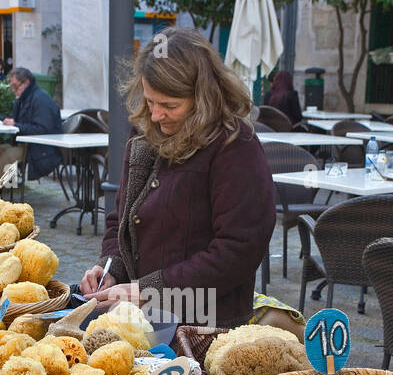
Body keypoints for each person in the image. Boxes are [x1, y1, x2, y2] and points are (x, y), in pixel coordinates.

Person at [79, 27, 276, 328]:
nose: (156, 115)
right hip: (141, 320)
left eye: (170, 106)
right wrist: (109, 266)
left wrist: (148, 291)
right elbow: (120, 217)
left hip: (206, 323)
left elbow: (238, 250)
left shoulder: (234, 145)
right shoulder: (145, 134)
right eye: (149, 101)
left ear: (203, 97)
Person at [0, 66, 61, 185]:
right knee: (0, 150)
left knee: (9, 155)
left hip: (42, 149)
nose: (13, 90)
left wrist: (16, 124)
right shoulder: (25, 98)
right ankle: (7, 187)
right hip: (30, 145)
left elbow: (43, 129)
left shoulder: (40, 99)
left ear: (27, 83)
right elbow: (17, 121)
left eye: (16, 86)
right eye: (12, 87)